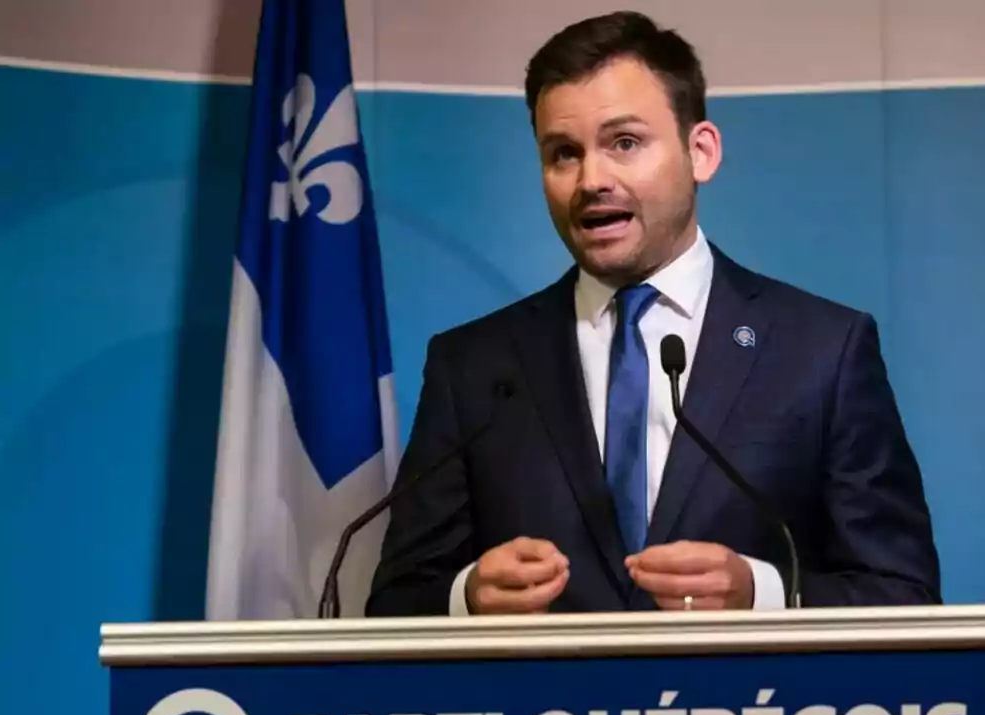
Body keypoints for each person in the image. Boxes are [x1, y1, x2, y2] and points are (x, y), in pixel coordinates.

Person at [366, 11, 940, 617]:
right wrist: (466, 597)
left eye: (624, 143)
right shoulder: (475, 368)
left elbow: (905, 595)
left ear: (701, 152)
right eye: (563, 153)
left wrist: (761, 593)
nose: (591, 180)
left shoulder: (823, 352)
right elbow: (396, 603)